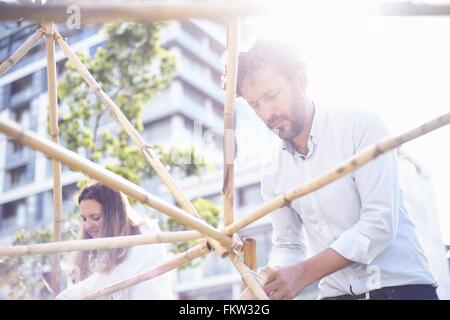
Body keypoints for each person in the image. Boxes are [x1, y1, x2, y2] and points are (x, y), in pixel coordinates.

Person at [232, 39, 438, 300]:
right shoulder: (272, 171)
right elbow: (289, 244)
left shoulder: (360, 125)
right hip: (336, 295)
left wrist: (304, 272)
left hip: (401, 289)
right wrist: (271, 278)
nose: (266, 113)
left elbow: (379, 223)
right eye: (255, 105)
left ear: (300, 80)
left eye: (271, 96)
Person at [56, 183, 173, 300]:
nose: (87, 226)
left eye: (95, 217)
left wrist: (66, 296)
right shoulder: (93, 254)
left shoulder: (145, 233)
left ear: (114, 215)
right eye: (84, 219)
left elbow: (116, 277)